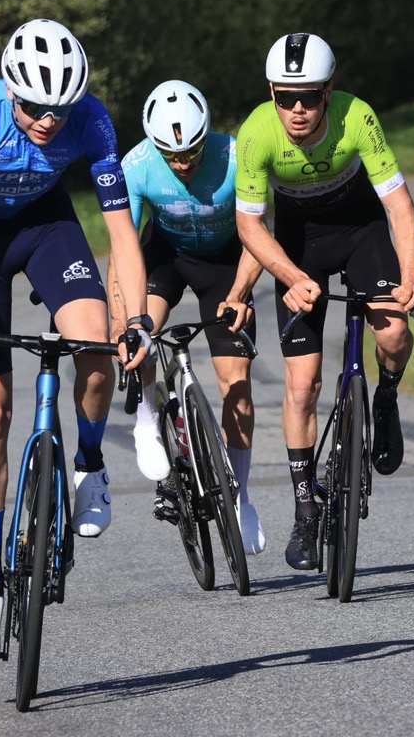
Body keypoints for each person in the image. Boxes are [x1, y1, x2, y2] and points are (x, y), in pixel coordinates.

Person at [0, 18, 153, 665]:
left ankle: (90, 463)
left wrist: (135, 319)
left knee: (95, 351)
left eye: (60, 110)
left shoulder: (92, 120)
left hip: (46, 226)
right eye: (35, 108)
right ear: (10, 92)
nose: (48, 121)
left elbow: (121, 233)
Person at [233, 33, 414, 571]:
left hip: (360, 228)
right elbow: (249, 225)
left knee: (394, 332)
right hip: (300, 242)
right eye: (286, 97)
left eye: (309, 97)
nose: (297, 109)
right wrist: (291, 276)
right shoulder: (255, 133)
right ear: (271, 93)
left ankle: (384, 398)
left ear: (328, 92)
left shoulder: (356, 116)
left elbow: (399, 205)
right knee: (303, 385)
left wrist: (411, 276)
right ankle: (305, 509)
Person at [106, 80, 265, 555]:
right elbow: (122, 249)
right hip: (166, 258)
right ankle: (147, 419)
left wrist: (239, 294)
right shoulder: (136, 166)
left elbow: (258, 235)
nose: (182, 162)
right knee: (143, 333)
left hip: (226, 264)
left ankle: (240, 498)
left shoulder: (237, 157)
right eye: (171, 155)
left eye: (192, 151)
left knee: (237, 386)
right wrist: (122, 321)